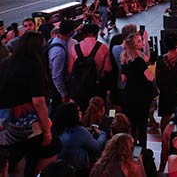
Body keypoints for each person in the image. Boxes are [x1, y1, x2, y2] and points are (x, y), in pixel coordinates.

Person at [0, 31, 60, 177]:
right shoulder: (33, 66)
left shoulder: (5, 63)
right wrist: (46, 131)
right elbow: (38, 102)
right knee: (52, 149)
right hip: (25, 121)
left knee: (15, 157)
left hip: (3, 121)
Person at [120, 32, 154, 148]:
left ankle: (132, 147)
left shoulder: (125, 59)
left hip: (129, 95)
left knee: (132, 125)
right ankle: (143, 150)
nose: (142, 43)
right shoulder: (139, 61)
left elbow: (123, 78)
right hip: (141, 97)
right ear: (133, 45)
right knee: (142, 125)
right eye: (139, 41)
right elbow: (150, 77)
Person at [53, 101, 106, 173]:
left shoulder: (58, 129)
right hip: (78, 171)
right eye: (78, 111)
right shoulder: (79, 131)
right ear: (73, 115)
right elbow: (97, 147)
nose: (81, 113)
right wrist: (102, 134)